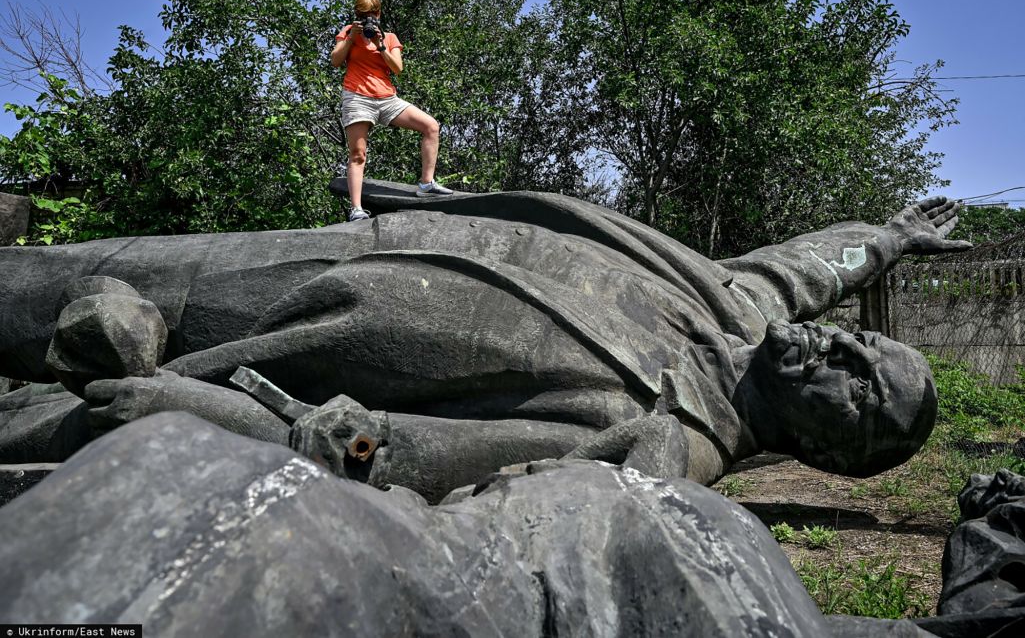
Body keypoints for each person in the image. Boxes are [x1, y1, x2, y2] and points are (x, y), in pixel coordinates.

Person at [0, 183, 970, 497]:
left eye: (857, 385)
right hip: (365, 242)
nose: (835, 350)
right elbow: (811, 264)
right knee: (76, 268)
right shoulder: (741, 311)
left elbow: (415, 461)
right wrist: (887, 238)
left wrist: (260, 422)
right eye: (858, 345)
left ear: (829, 448)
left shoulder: (663, 448)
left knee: (52, 313)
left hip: (299, 335)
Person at [329, 0, 452, 222]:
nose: (367, 19)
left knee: (431, 126)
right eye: (362, 15)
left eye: (370, 15)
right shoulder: (348, 32)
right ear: (357, 15)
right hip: (357, 97)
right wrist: (350, 38)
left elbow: (397, 68)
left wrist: (380, 45)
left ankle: (426, 184)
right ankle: (356, 209)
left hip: (387, 99)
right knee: (358, 154)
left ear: (378, 13)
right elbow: (336, 61)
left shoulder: (389, 37)